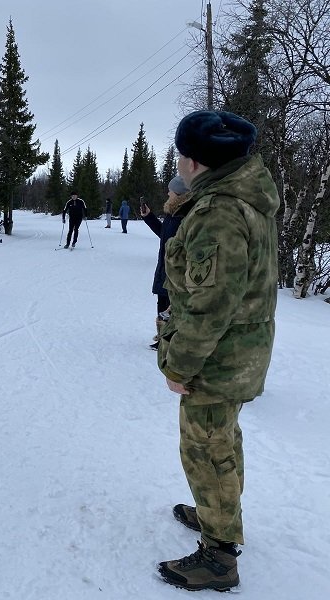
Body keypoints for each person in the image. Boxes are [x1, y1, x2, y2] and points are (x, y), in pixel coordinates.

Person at [156, 110, 279, 592]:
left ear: (195, 162)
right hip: (237, 352)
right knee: (222, 440)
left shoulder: (221, 212)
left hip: (218, 357)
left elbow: (210, 305)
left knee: (206, 449)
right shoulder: (242, 197)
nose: (179, 163)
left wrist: (178, 364)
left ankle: (219, 556)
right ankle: (218, 514)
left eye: (183, 155)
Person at [140, 175, 189, 350]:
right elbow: (164, 234)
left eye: (171, 191)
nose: (168, 193)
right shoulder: (171, 213)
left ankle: (172, 341)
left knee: (172, 306)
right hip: (164, 269)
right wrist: (149, 217)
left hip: (176, 272)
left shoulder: (186, 216)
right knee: (162, 303)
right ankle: (163, 338)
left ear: (179, 194)